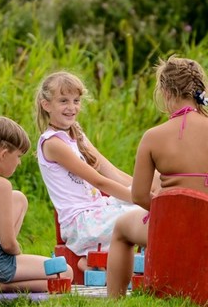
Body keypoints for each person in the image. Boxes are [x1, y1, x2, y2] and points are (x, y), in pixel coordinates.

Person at [106, 55, 208, 298]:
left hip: (168, 228)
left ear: (165, 92)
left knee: (121, 229)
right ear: (200, 91)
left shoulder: (153, 136)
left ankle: (116, 300)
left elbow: (139, 195)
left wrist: (167, 213)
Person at [35, 71, 149, 266]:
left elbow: (110, 170)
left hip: (98, 211)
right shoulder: (52, 143)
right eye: (63, 101)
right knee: (145, 214)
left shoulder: (76, 134)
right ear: (47, 105)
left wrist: (144, 189)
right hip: (82, 224)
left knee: (155, 183)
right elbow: (98, 180)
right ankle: (138, 266)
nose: (72, 107)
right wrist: (143, 200)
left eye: (76, 100)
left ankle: (138, 263)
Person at [0, 115, 72, 293]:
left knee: (19, 198)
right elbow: (8, 244)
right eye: (18, 156)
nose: (19, 162)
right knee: (65, 273)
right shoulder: (1, 185)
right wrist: (18, 256)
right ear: (3, 154)